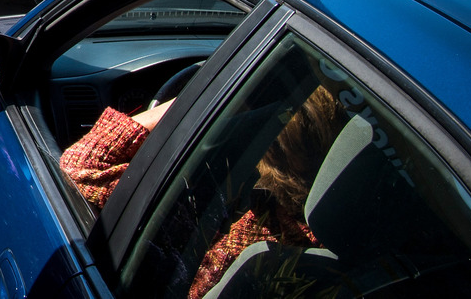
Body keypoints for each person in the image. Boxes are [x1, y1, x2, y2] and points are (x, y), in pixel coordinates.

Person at [60, 87, 344, 299]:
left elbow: (82, 167)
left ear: (278, 139)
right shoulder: (349, 252)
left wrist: (210, 95)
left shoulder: (259, 229)